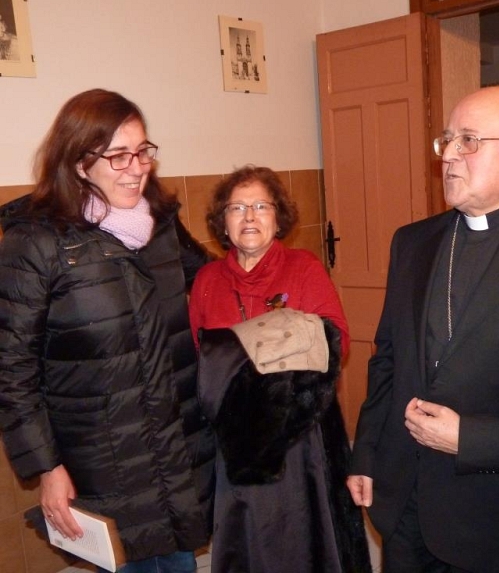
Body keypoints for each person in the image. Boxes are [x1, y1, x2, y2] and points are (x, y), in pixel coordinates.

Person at [347, 86, 499, 573]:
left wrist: (471, 438)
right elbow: (388, 360)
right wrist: (366, 453)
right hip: (405, 506)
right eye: (447, 140)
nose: (449, 156)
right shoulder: (413, 242)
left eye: (468, 140)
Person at [0, 89, 214, 572]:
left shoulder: (158, 224)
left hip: (175, 446)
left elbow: (212, 281)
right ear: (78, 163)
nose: (137, 168)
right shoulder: (36, 243)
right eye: (118, 156)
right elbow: (12, 370)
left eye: (142, 152)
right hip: (103, 457)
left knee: (178, 562)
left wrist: (273, 273)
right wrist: (46, 468)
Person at [188, 165, 372, 573]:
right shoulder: (207, 280)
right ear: (223, 221)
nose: (249, 217)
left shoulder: (303, 268)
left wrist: (248, 360)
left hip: (300, 438)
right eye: (237, 208)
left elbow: (333, 342)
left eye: (260, 206)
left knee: (305, 546)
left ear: (278, 217)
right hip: (236, 442)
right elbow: (203, 356)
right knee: (247, 543)